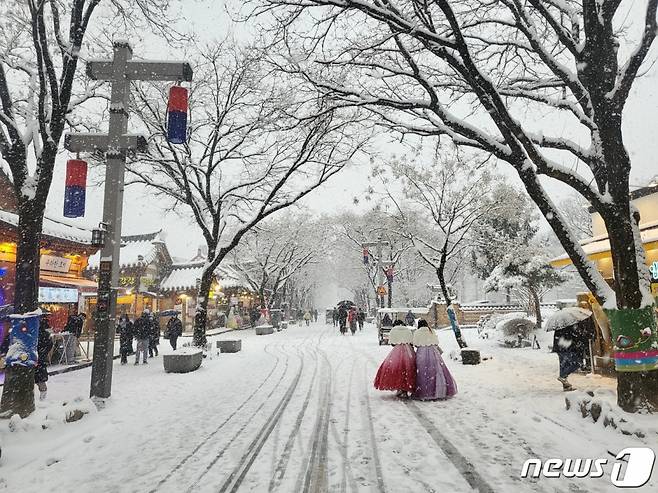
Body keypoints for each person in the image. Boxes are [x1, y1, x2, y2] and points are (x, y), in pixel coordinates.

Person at [412, 319, 457, 400]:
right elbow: (436, 342)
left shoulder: (417, 332)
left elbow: (415, 343)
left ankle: (424, 391)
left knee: (422, 372)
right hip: (433, 351)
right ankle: (437, 390)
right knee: (436, 371)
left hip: (422, 352)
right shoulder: (431, 331)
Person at [374, 321, 416, 398]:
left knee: (397, 369)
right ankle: (406, 388)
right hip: (408, 350)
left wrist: (397, 342)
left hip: (397, 350)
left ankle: (399, 387)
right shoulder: (407, 330)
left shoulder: (394, 330)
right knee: (408, 369)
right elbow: (411, 341)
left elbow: (392, 343)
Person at [553, 322, 590, 391]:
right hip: (566, 348)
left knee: (563, 366)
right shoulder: (568, 326)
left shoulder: (559, 325)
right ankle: (563, 376)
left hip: (560, 348)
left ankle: (566, 386)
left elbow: (559, 337)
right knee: (577, 363)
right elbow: (570, 337)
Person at [35, 314, 53, 401]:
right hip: (40, 359)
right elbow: (50, 345)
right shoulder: (46, 334)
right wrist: (44, 353)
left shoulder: (33, 334)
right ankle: (42, 398)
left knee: (35, 379)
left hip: (33, 359)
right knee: (40, 380)